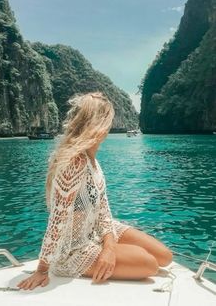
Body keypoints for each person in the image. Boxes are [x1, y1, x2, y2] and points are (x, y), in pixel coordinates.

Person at [17, 91, 173, 290]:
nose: (110, 126)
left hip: (97, 230)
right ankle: (97, 254)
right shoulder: (75, 162)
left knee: (165, 256)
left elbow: (104, 211)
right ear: (98, 124)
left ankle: (107, 249)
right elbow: (57, 221)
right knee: (149, 263)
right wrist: (42, 269)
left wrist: (109, 248)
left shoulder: (94, 162)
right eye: (108, 120)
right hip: (72, 250)